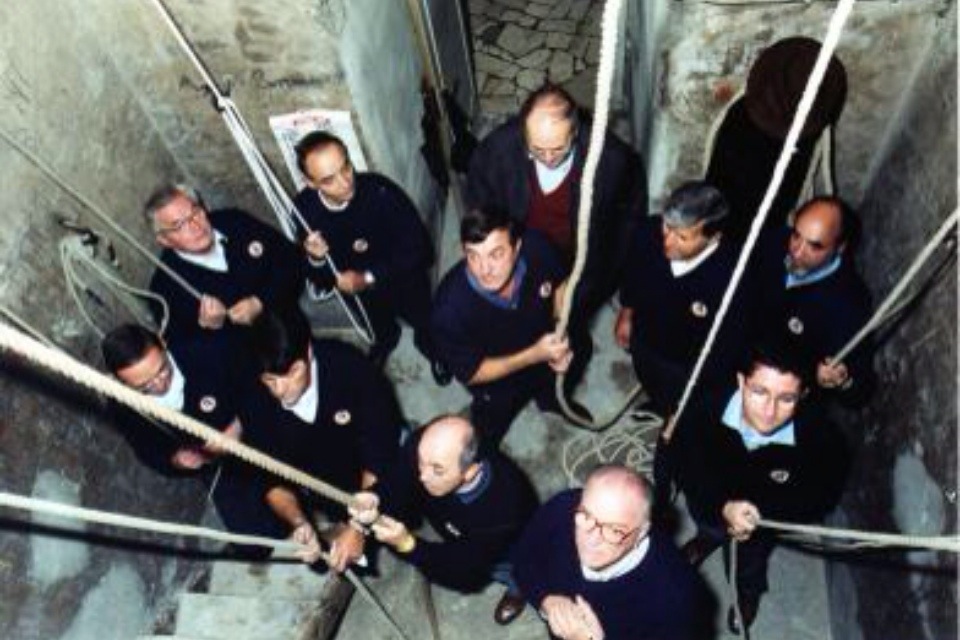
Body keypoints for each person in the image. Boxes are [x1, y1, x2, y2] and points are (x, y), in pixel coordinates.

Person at [467, 83, 647, 393]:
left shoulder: (612, 159)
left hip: (577, 261)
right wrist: (501, 267)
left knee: (570, 335)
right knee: (522, 329)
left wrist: (589, 281)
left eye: (558, 149)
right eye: (537, 150)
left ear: (576, 132)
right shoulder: (495, 154)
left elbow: (626, 226)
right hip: (521, 258)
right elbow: (479, 212)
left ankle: (559, 393)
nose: (549, 159)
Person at [673, 340, 850, 634]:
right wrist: (721, 506)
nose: (769, 412)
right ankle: (707, 539)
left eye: (786, 399)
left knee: (749, 563)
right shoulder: (704, 408)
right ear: (741, 380)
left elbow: (821, 496)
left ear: (803, 395)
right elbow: (687, 464)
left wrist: (763, 513)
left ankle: (746, 594)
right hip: (712, 499)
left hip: (759, 523)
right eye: (759, 392)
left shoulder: (820, 439)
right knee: (708, 523)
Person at [239, 308, 407, 572]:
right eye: (270, 380)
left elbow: (379, 451)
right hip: (326, 488)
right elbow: (270, 477)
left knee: (407, 511)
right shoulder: (254, 401)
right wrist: (299, 523)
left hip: (374, 472)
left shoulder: (351, 369)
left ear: (308, 352)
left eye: (292, 373)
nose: (280, 390)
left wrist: (358, 527)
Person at [101, 325, 287, 559]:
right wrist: (176, 460)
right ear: (121, 382)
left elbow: (258, 386)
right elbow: (147, 450)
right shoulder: (123, 405)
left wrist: (238, 426)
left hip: (258, 433)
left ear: (163, 343)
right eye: (144, 386)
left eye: (162, 370)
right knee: (253, 545)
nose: (159, 384)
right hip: (218, 467)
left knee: (295, 498)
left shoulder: (207, 351)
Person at [350, 415, 539, 625]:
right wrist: (376, 496)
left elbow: (461, 567)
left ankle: (520, 588)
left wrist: (408, 544)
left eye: (437, 470)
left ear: (470, 472)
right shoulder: (427, 447)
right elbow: (401, 475)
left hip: (499, 546)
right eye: (421, 462)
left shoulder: (502, 508)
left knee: (509, 566)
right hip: (452, 524)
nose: (422, 476)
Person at [294, 131, 449, 384]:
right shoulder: (304, 212)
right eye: (329, 180)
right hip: (359, 293)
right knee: (377, 325)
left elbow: (418, 247)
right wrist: (316, 259)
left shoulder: (379, 191)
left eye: (346, 167)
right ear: (310, 183)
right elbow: (318, 278)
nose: (345, 182)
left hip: (401, 275)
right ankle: (386, 340)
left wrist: (367, 277)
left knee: (423, 317)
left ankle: (433, 349)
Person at [431, 207, 575, 450]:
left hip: (543, 352)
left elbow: (559, 284)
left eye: (496, 254)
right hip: (498, 383)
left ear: (517, 248)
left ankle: (554, 403)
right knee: (488, 430)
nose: (484, 269)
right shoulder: (449, 310)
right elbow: (472, 373)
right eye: (473, 256)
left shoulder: (537, 247)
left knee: (558, 379)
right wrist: (535, 354)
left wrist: (561, 333)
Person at [511, 465, 707, 640]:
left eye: (614, 530)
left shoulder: (676, 599)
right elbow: (523, 559)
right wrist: (545, 599)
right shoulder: (562, 508)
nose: (591, 539)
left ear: (641, 533)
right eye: (586, 516)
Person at [614, 181, 759, 415]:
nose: (667, 241)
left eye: (682, 237)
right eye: (667, 226)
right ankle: (658, 403)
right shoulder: (647, 232)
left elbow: (728, 346)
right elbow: (634, 274)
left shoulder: (734, 279)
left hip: (686, 364)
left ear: (713, 238)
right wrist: (626, 313)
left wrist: (699, 385)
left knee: (679, 402)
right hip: (645, 338)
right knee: (650, 379)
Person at [705, 37, 848, 241]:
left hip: (773, 175)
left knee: (758, 218)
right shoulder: (746, 117)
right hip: (748, 166)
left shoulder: (799, 131)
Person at [145, 183, 305, 343]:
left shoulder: (233, 221)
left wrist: (260, 301)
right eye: (179, 225)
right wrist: (211, 329)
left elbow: (292, 258)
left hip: (300, 330)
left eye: (195, 213)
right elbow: (189, 352)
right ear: (164, 240)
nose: (195, 226)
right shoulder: (165, 290)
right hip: (253, 357)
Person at [754, 196, 874, 406]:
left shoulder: (849, 304)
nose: (797, 251)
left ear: (840, 247)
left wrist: (841, 380)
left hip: (781, 395)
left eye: (815, 246)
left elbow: (860, 392)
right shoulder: (774, 242)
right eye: (796, 236)